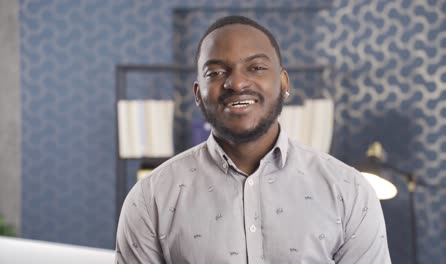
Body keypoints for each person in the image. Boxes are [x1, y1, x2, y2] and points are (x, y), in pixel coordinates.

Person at [115, 15, 392, 264]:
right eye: (216, 72)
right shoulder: (150, 197)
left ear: (284, 83)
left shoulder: (349, 190)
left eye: (256, 67)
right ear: (198, 93)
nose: (236, 83)